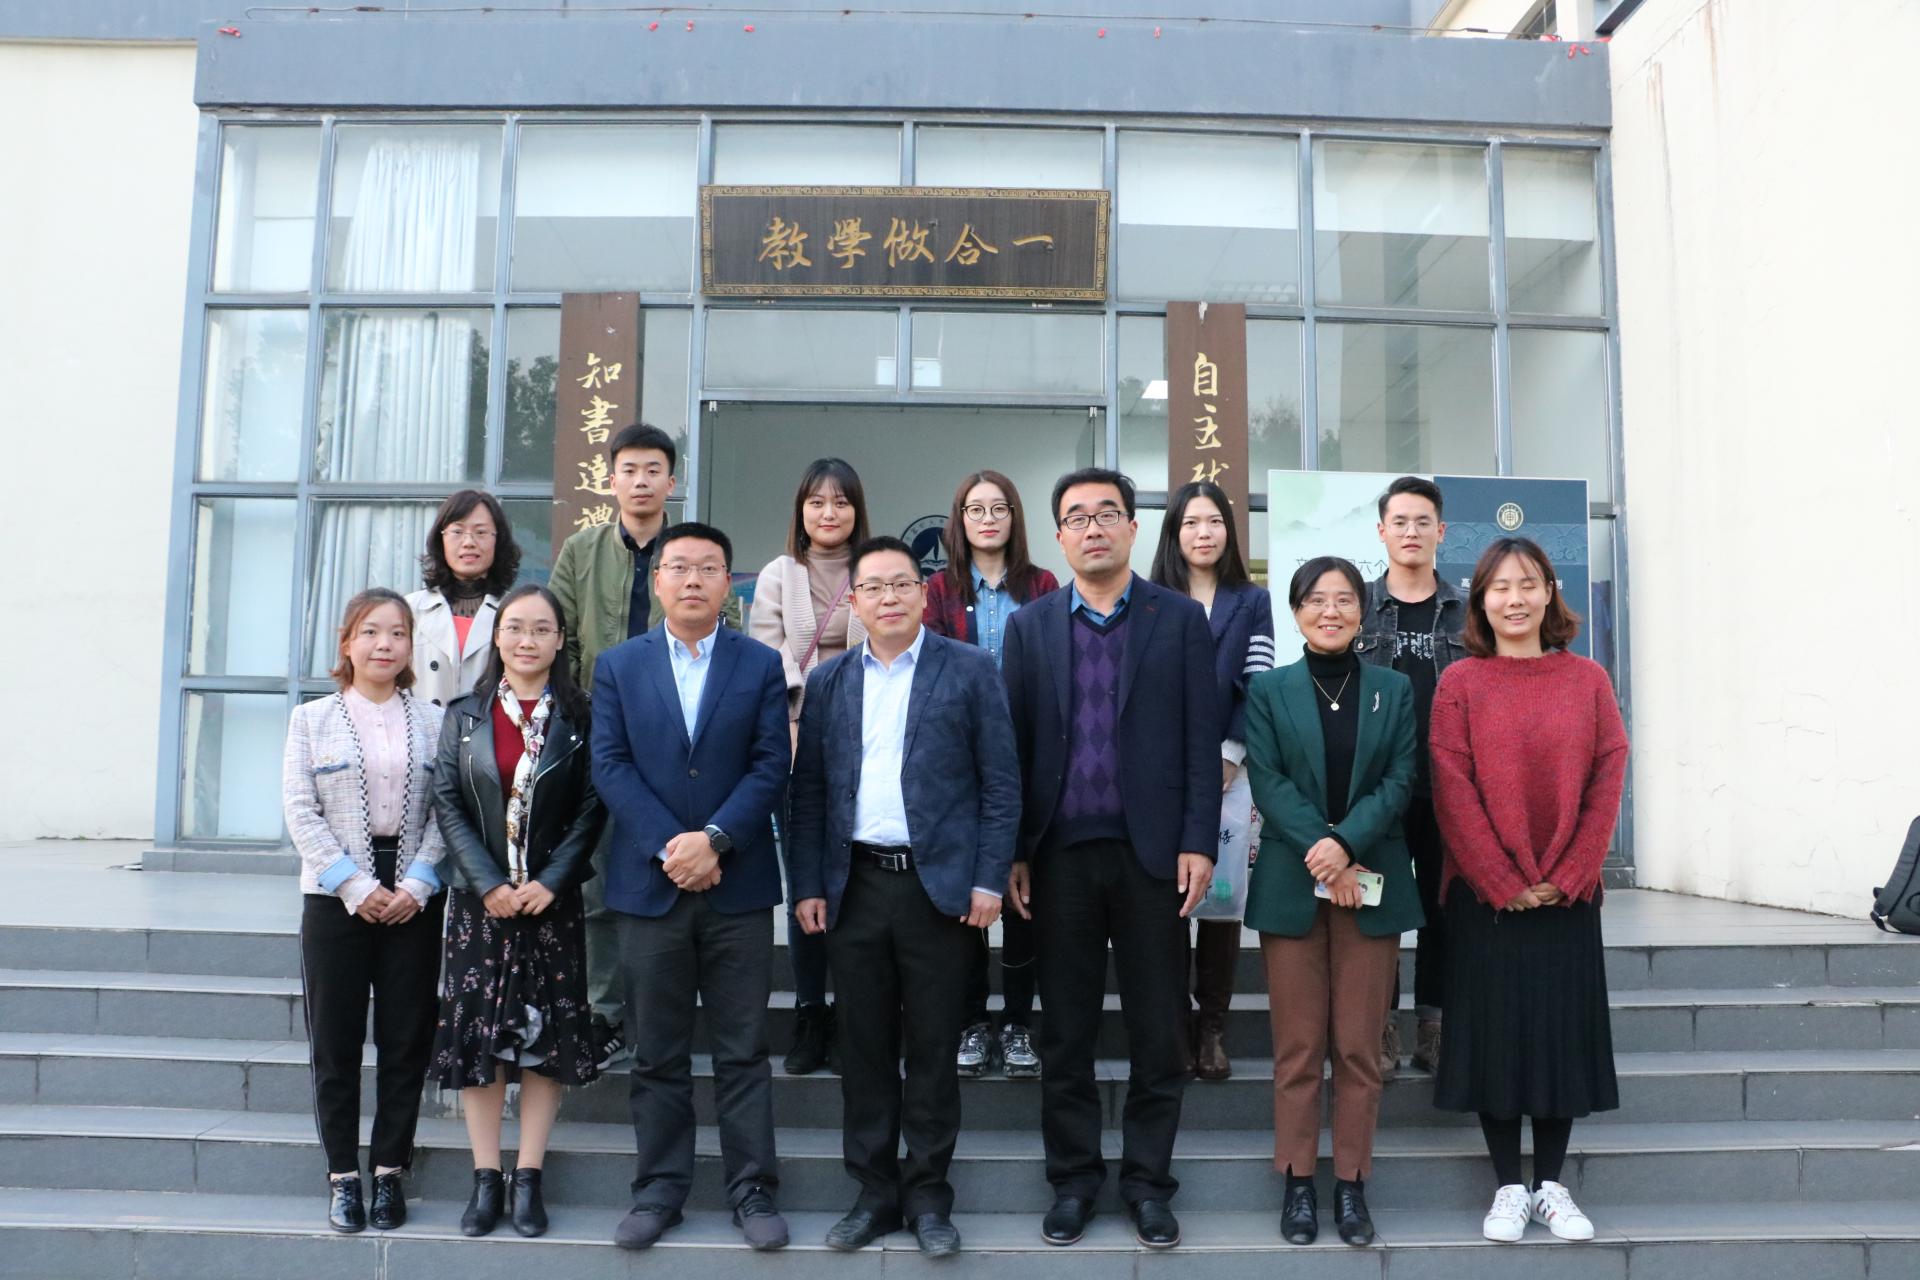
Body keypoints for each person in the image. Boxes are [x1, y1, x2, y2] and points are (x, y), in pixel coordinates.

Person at [1001, 467, 1220, 1251]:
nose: (1093, 528)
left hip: (1152, 856)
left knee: (1160, 1030)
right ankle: (1074, 1181)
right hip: (1057, 857)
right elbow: (1013, 748)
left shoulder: (1178, 619)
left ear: (1132, 528)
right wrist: (1014, 850)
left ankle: (1148, 1184)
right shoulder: (1028, 628)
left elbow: (1201, 738)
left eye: (1107, 514)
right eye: (1077, 517)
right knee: (1066, 1031)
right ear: (1059, 537)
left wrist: (1198, 840)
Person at [787, 535, 1021, 1256]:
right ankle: (874, 1193)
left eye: (901, 584)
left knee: (933, 1048)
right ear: (853, 602)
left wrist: (988, 877)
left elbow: (1000, 784)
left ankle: (927, 1196)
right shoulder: (829, 681)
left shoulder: (970, 669)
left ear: (924, 594)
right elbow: (809, 792)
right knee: (863, 1049)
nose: (888, 598)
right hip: (854, 886)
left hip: (938, 890)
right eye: (873, 587)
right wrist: (807, 885)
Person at [592, 522, 793, 1252]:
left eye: (709, 567)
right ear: (658, 581)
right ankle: (659, 1191)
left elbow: (771, 764)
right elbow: (610, 764)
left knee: (743, 1049)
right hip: (650, 889)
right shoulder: (619, 666)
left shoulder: (759, 664)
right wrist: (672, 847)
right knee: (656, 1052)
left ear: (727, 583)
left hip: (737, 886)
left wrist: (715, 840)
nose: (692, 580)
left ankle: (753, 1191)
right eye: (678, 567)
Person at [1429, 536, 1627, 1245]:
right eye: (1499, 587)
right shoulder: (1460, 684)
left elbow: (1608, 775)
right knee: (1497, 1040)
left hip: (1568, 899)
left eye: (1527, 585)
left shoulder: (1588, 680)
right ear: (1481, 600)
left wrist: (1570, 875)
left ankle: (1550, 1185)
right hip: (1485, 901)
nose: (1514, 599)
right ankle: (1508, 1186)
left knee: (1558, 1040)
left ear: (1549, 593)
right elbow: (1451, 787)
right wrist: (1501, 881)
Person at [1241, 556, 1420, 1248]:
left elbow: (1400, 779)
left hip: (1370, 881)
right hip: (1293, 883)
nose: (1331, 611)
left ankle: (1350, 1184)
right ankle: (1297, 1182)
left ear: (1361, 612)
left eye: (1344, 599)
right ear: (1296, 613)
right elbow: (1268, 779)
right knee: (1297, 1047)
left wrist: (1344, 844)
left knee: (1357, 1048)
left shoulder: (1392, 690)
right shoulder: (1269, 689)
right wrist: (1322, 849)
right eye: (1316, 600)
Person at [550, 423, 738, 1075]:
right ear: (611, 480)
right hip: (600, 737)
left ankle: (664, 1016)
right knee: (602, 881)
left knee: (679, 866)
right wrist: (589, 713)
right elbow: (564, 639)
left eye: (653, 470)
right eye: (629, 470)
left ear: (671, 481)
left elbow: (724, 630)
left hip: (679, 739)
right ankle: (606, 1014)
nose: (641, 481)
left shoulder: (693, 551)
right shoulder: (581, 549)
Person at [430, 584, 607, 1239]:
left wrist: (552, 881)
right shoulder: (464, 715)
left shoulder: (583, 717)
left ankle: (528, 1175)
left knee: (545, 1042)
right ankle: (486, 1178)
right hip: (481, 906)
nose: (526, 640)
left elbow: (593, 806)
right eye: (515, 628)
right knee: (480, 1039)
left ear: (560, 640)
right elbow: (447, 801)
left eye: (541, 629)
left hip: (550, 906)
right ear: (497, 637)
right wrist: (487, 883)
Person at [281, 588, 446, 1234]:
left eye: (397, 633)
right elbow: (300, 810)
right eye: (371, 632)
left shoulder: (433, 720)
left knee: (406, 1038)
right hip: (333, 897)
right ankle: (343, 1177)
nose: (385, 644)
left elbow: (447, 811)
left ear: (410, 646)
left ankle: (389, 1172)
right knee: (336, 1040)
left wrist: (418, 883)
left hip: (413, 896)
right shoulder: (311, 719)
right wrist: (353, 885)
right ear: (347, 643)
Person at [923, 469, 1057, 1081]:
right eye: (974, 509)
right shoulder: (938, 588)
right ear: (959, 519)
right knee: (967, 892)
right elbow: (931, 672)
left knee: (1024, 893)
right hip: (961, 759)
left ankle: (1019, 1022)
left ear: (1014, 517)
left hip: (1032, 754)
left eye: (999, 508)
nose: (987, 519)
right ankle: (972, 1021)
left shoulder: (1043, 584)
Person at [1148, 480, 1275, 1082]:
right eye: (1192, 522)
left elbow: (1258, 684)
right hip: (1160, 776)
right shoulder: (1149, 599)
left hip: (1231, 769)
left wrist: (1229, 754)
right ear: (1173, 533)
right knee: (1169, 898)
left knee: (1221, 899)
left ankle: (1213, 1027)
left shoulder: (1252, 602)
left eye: (1215, 521)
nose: (1204, 533)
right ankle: (1174, 1021)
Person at [748, 457, 871, 1076]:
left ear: (857, 510)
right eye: (817, 501)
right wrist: (808, 709)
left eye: (841, 501)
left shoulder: (872, 570)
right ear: (801, 510)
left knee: (855, 883)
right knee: (807, 883)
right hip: (795, 744)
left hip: (867, 743)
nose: (829, 512)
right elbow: (768, 652)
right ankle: (809, 1011)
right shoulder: (779, 574)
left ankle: (852, 1012)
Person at [1356, 475, 1467, 1076]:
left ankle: (1434, 1025)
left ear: (1441, 531)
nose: (1411, 531)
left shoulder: (1468, 611)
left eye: (1423, 521)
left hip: (1451, 782)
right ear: (1381, 531)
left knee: (1443, 906)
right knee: (1382, 904)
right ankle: (1381, 1023)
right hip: (1381, 785)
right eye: (1399, 521)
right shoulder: (1358, 605)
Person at [405, 488, 522, 710]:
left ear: (498, 541)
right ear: (440, 539)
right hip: (424, 729)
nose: (468, 542)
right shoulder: (410, 609)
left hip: (488, 730)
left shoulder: (515, 611)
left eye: (481, 532)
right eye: (457, 531)